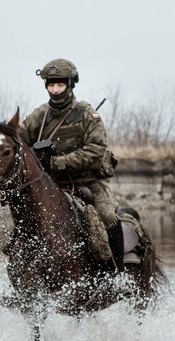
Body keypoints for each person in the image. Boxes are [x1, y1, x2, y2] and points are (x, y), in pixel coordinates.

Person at [17, 58, 124, 269]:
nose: (55, 90)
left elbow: (95, 151)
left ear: (70, 84)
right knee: (24, 217)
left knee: (108, 216)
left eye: (60, 84)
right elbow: (19, 142)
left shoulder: (87, 114)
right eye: (51, 84)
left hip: (88, 181)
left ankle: (118, 273)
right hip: (51, 183)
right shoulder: (38, 117)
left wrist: (57, 162)